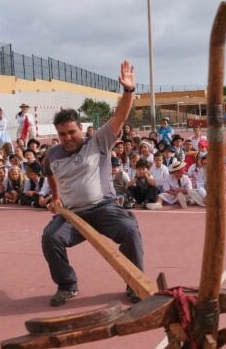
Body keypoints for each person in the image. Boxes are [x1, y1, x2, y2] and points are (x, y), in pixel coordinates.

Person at [41, 60, 147, 307]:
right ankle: (67, 285)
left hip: (103, 207)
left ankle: (135, 283)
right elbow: (49, 173)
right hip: (72, 215)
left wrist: (128, 91)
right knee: (50, 238)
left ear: (81, 128)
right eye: (62, 134)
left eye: (72, 132)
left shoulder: (98, 141)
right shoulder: (53, 154)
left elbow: (119, 117)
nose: (67, 138)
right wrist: (55, 198)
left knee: (130, 231)